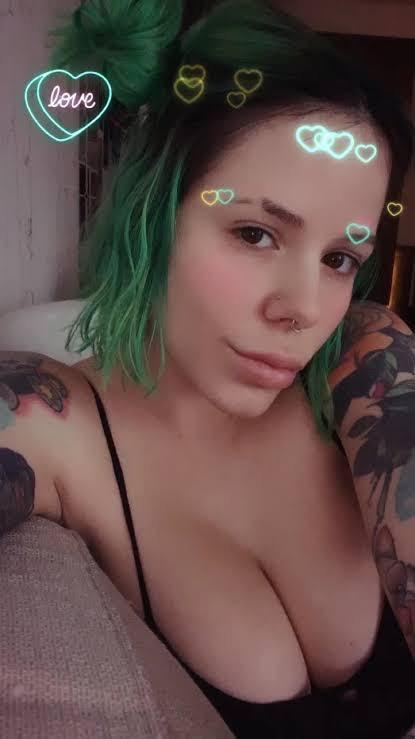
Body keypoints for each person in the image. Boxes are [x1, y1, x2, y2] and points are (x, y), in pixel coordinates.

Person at [2, 0, 415, 736]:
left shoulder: (364, 361)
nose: (303, 308)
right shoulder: (52, 422)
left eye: (339, 258)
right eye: (254, 233)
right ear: (152, 211)